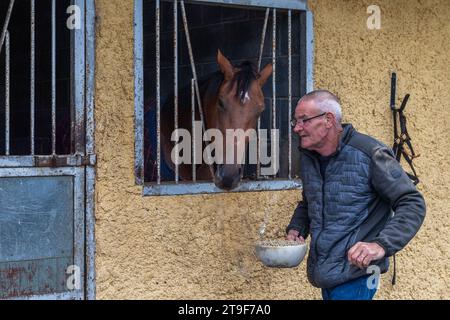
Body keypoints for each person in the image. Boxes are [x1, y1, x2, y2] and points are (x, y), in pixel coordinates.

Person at [286, 90, 426, 300]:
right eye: (295, 121)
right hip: (328, 274)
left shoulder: (371, 153)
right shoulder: (310, 157)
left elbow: (412, 202)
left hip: (360, 273)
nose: (297, 128)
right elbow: (311, 200)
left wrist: (380, 245)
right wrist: (298, 227)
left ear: (328, 119)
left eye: (304, 120)